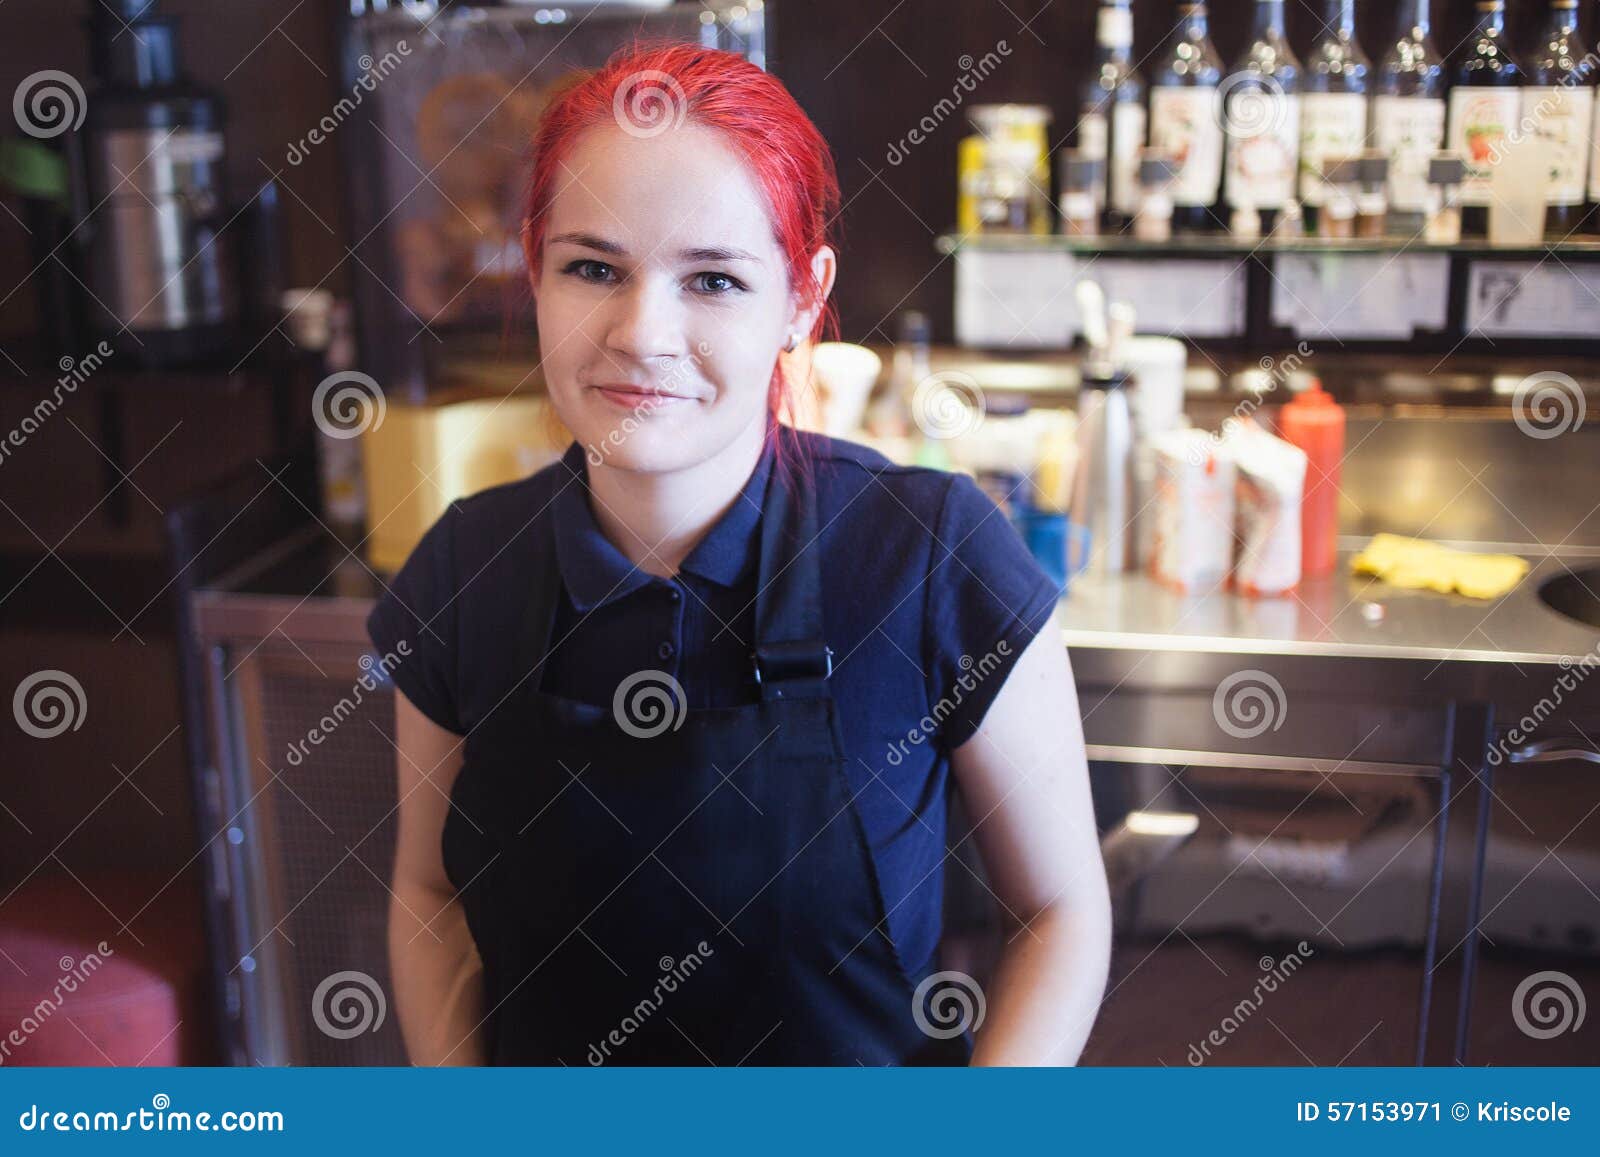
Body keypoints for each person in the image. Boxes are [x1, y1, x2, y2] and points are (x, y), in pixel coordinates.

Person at [370, 41, 1110, 1067]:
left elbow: (1060, 909)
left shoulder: (932, 556)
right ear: (534, 268)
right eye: (593, 267)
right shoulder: (465, 569)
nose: (643, 332)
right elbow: (430, 892)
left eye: (712, 279)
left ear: (802, 300)